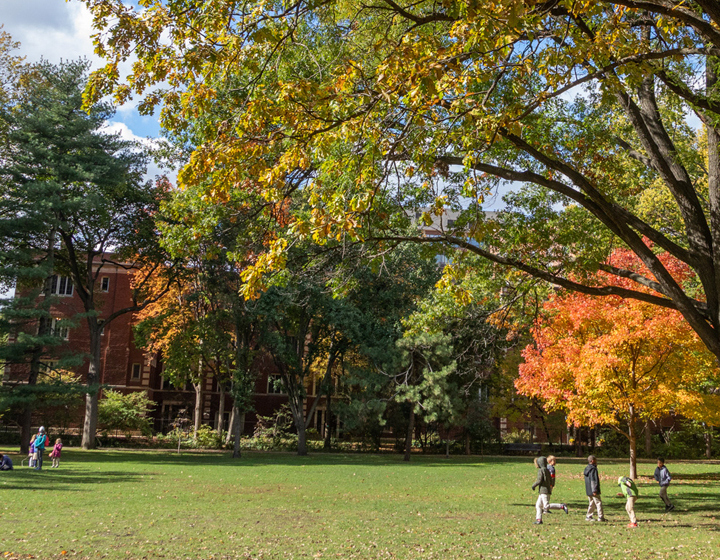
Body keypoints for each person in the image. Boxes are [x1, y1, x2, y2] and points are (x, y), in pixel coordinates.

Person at [531, 456, 569, 524]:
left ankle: (562, 506)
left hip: (543, 491)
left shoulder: (541, 470)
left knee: (546, 506)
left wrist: (533, 485)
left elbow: (539, 480)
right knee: (538, 505)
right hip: (546, 490)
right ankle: (539, 519)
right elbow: (551, 480)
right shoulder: (547, 470)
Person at [584, 455, 606, 522]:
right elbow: (593, 480)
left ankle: (588, 516)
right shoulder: (593, 469)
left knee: (592, 503)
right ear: (593, 461)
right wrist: (595, 490)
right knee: (598, 502)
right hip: (593, 489)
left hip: (588, 489)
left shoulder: (587, 468)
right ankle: (600, 517)